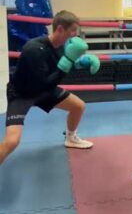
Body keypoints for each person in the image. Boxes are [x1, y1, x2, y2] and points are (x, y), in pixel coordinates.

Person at [0, 10, 100, 165]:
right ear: (60, 29)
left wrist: (81, 63)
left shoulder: (62, 47)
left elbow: (58, 70)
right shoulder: (33, 49)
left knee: (78, 106)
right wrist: (67, 61)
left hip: (44, 89)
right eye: (72, 31)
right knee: (12, 141)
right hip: (22, 94)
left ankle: (71, 138)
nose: (75, 35)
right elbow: (45, 82)